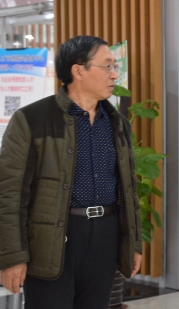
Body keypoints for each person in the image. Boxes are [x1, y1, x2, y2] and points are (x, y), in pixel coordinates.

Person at [0, 36, 142, 309]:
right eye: (107, 66)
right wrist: (12, 257)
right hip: (53, 237)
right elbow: (10, 195)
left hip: (105, 235)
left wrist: (133, 244)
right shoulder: (32, 120)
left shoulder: (117, 123)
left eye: (114, 66)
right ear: (78, 71)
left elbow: (128, 189)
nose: (114, 74)